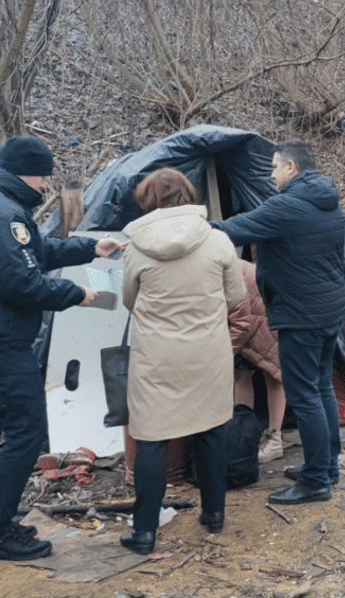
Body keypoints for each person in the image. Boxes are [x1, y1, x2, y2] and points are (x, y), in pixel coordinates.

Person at [0, 136, 124, 561]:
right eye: (44, 176)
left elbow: (30, 252)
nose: (46, 186)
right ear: (28, 172)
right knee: (27, 431)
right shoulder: (4, 214)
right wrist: (73, 293)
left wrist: (90, 247)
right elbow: (21, 282)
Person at [213, 140, 345, 505]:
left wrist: (180, 228)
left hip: (301, 315)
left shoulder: (287, 207)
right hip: (329, 310)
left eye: (274, 167)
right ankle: (326, 465)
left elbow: (230, 229)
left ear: (291, 167)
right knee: (320, 388)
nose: (271, 175)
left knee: (304, 396)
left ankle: (316, 480)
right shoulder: (328, 200)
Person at [119, 168, 244, 555]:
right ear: (188, 195)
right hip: (208, 353)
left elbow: (128, 300)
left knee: (153, 440)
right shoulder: (218, 240)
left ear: (147, 200)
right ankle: (215, 514)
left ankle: (144, 532)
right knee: (209, 430)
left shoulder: (135, 247)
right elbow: (236, 296)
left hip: (156, 357)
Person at [228, 258, 288, 462]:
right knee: (241, 374)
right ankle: (244, 436)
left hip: (269, 312)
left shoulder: (220, 267)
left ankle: (274, 438)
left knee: (274, 374)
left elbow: (241, 322)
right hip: (253, 311)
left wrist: (225, 353)